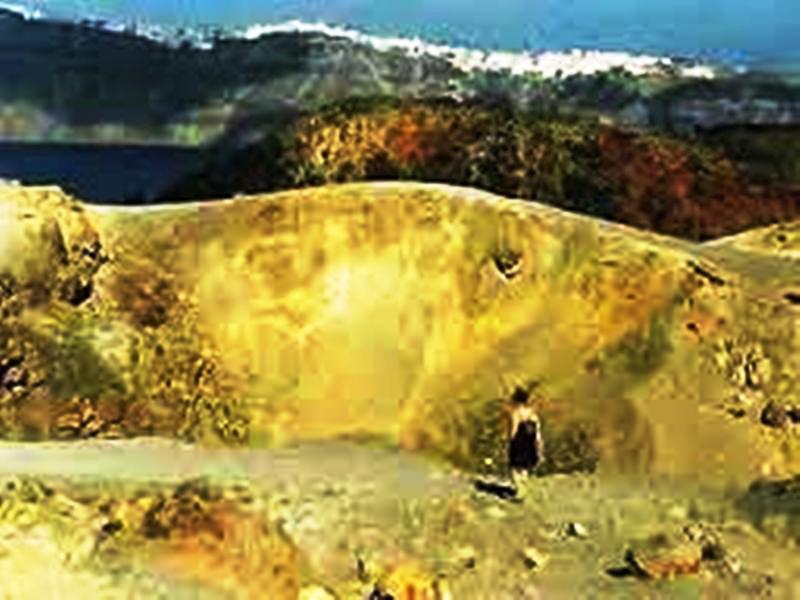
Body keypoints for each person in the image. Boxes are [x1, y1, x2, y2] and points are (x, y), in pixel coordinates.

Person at [507, 385, 544, 488]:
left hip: (519, 442)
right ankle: (524, 486)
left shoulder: (516, 412)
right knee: (525, 468)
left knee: (515, 467)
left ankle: (519, 488)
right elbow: (537, 431)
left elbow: (514, 429)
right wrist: (539, 445)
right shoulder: (533, 413)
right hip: (530, 443)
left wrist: (510, 441)